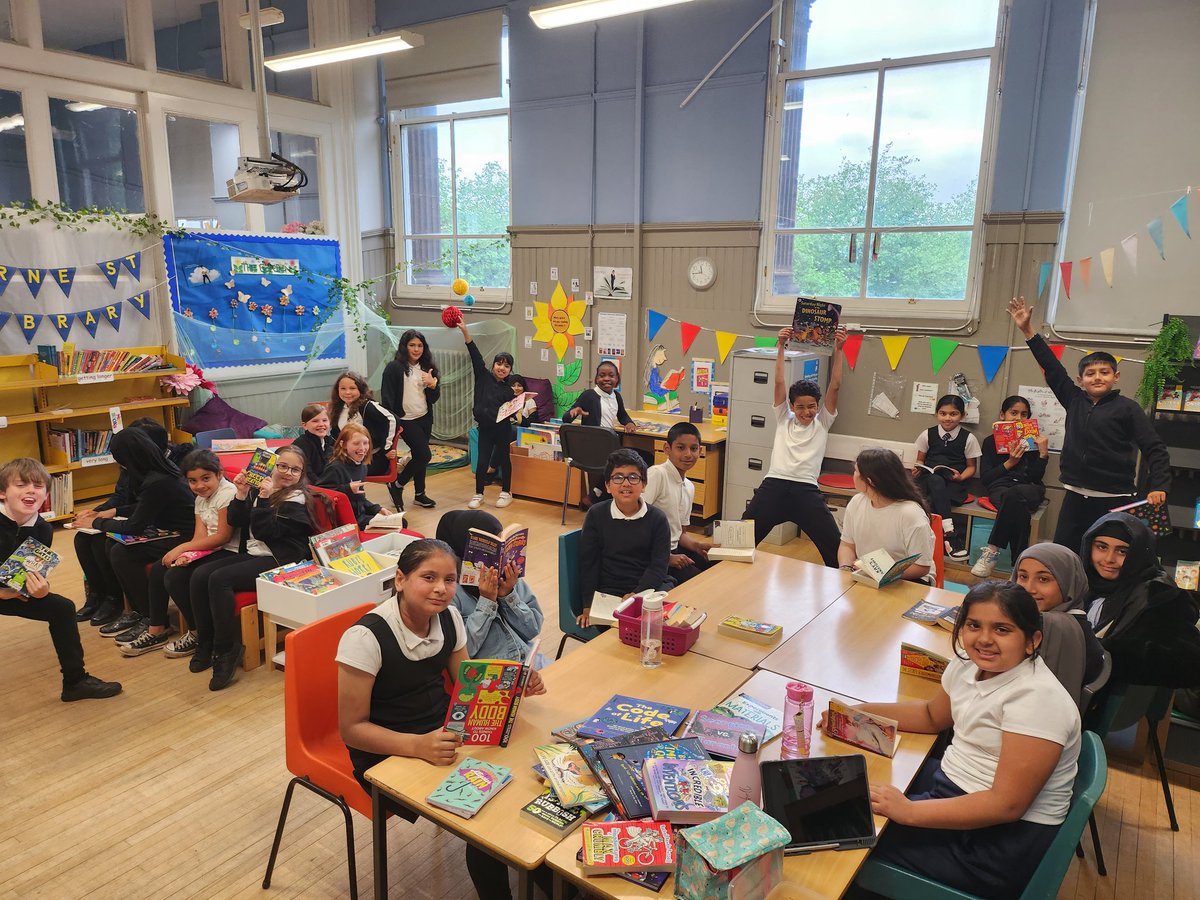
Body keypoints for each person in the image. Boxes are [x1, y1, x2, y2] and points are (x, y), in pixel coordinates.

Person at [835, 581, 1081, 898]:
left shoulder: (1038, 701)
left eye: (1002, 630)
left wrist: (908, 811)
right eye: (974, 625)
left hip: (992, 845)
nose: (984, 639)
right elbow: (930, 716)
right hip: (955, 790)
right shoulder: (968, 665)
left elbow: (1006, 805)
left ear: (1032, 641)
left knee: (846, 839)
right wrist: (856, 713)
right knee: (842, 788)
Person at [337, 539, 548, 900]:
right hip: (386, 754)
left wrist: (512, 683)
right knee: (488, 825)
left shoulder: (448, 618)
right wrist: (417, 745)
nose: (441, 588)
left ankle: (558, 886)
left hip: (444, 735)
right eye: (428, 577)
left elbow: (469, 685)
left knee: (525, 784)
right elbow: (351, 730)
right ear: (400, 580)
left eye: (449, 580)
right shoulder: (364, 637)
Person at [1008, 296, 1170, 554]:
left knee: (1105, 563)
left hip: (1114, 500)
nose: (1097, 377)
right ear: (1080, 379)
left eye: (1104, 372)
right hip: (1074, 497)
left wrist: (1159, 485)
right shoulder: (1073, 399)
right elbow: (1052, 368)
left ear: (1115, 377)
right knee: (1064, 557)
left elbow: (1155, 448)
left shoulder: (1128, 408)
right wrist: (1028, 331)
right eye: (1091, 373)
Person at [182, 444, 328, 690]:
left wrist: (262, 498)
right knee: (199, 575)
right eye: (282, 465)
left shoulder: (296, 498)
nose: (287, 473)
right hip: (254, 554)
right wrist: (241, 493)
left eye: (295, 469)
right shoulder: (261, 485)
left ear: (302, 474)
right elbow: (237, 521)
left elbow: (264, 531)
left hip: (282, 561)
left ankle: (226, 649)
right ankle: (205, 642)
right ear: (272, 464)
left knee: (220, 579)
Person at [0, 458, 122, 702]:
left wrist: (37, 591)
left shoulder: (42, 529)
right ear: (3, 493)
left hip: (8, 593)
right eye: (21, 485)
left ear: (45, 493)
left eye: (37, 486)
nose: (30, 491)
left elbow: (26, 574)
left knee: (62, 608)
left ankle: (75, 682)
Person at [740, 326, 847, 566]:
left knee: (835, 549)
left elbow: (836, 385)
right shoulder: (783, 418)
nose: (806, 412)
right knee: (741, 540)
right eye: (800, 407)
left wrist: (838, 350)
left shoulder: (823, 422)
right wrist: (780, 347)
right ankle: (719, 577)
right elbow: (778, 381)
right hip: (774, 486)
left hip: (806, 491)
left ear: (818, 406)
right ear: (791, 405)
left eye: (811, 406)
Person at [121, 448, 240, 657]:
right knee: (161, 567)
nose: (199, 486)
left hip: (229, 550)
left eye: (206, 478)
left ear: (219, 474)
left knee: (176, 577)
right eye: (193, 481)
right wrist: (188, 554)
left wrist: (183, 548)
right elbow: (199, 537)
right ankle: (157, 629)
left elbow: (223, 536)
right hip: (210, 548)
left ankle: (197, 633)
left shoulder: (227, 493)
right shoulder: (200, 498)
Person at [92, 429, 196, 643]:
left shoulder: (158, 480)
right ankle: (139, 610)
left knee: (122, 552)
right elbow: (146, 508)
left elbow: (135, 526)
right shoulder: (155, 472)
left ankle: (151, 616)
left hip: (184, 536)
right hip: (169, 530)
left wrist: (96, 522)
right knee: (112, 546)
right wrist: (115, 512)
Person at [70, 416, 177, 625]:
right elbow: (121, 496)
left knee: (110, 544)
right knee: (82, 538)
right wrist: (98, 512)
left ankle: (120, 601)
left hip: (159, 526)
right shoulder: (134, 468)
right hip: (142, 518)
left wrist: (99, 521)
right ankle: (98, 595)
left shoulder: (161, 474)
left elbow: (143, 514)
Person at [1081, 512, 1200, 687]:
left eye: (1122, 551)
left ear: (1138, 553)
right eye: (1101, 547)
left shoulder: (1159, 595)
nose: (1109, 559)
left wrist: (1105, 653)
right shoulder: (1080, 584)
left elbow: (1188, 663)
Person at [576, 449, 671, 627]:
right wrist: (588, 605)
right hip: (610, 592)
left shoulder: (657, 518)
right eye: (618, 477)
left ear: (644, 485)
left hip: (648, 589)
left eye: (633, 477)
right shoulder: (596, 514)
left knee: (662, 625)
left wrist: (637, 593)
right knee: (621, 632)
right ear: (607, 486)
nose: (626, 484)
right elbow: (589, 563)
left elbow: (658, 565)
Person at [437, 510, 544, 662]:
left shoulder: (509, 578)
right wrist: (486, 601)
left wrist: (508, 595)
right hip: (493, 674)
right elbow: (465, 650)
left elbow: (532, 630)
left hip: (529, 661)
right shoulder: (450, 593)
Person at [1011, 542, 1105, 705]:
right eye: (1023, 576)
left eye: (1043, 579)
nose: (1029, 588)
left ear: (1068, 583)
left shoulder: (1051, 626)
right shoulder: (1078, 621)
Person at [973, 395, 1049, 577]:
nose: (1018, 418)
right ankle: (1019, 567)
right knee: (1016, 503)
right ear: (1002, 415)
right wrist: (1010, 462)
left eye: (1024, 414)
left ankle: (991, 551)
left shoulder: (1033, 441)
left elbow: (1035, 477)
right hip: (1001, 488)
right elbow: (986, 478)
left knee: (1015, 495)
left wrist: (1043, 453)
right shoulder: (990, 442)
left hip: (1029, 487)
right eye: (1013, 413)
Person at [837, 448, 935, 583]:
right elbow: (847, 545)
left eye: (856, 471)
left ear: (870, 481)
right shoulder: (857, 502)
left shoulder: (910, 514)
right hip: (868, 576)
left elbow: (921, 567)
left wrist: (882, 574)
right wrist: (846, 568)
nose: (853, 475)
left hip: (908, 579)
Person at [911, 394, 981, 562]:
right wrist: (917, 468)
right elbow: (920, 459)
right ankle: (949, 535)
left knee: (931, 498)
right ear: (937, 414)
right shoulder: (927, 434)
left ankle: (922, 548)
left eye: (953, 414)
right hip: (928, 479)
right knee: (934, 481)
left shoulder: (968, 438)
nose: (948, 418)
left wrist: (960, 477)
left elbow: (972, 467)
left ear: (962, 416)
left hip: (953, 484)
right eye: (943, 413)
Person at [642, 422, 714, 585]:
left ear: (700, 451)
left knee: (718, 567)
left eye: (694, 449)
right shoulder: (657, 474)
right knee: (699, 582)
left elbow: (679, 533)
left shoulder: (689, 486)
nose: (688, 454)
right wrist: (666, 558)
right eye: (681, 448)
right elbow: (637, 524)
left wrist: (696, 545)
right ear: (667, 449)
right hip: (652, 553)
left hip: (674, 548)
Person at [457, 319, 517, 509]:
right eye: (499, 364)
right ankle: (478, 494)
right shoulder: (483, 377)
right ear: (493, 366)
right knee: (482, 460)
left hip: (502, 429)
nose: (502, 368)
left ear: (510, 371)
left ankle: (506, 492)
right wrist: (466, 333)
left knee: (504, 459)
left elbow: (510, 410)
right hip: (485, 428)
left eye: (506, 366)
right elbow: (474, 354)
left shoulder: (509, 390)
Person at [380, 329, 441, 511]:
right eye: (412, 345)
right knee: (424, 455)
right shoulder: (394, 368)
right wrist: (394, 422)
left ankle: (420, 494)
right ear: (404, 347)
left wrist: (433, 385)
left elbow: (434, 398)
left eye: (420, 345)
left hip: (424, 417)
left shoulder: (427, 368)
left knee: (419, 456)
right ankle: (397, 484)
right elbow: (387, 397)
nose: (416, 349)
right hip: (405, 420)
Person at [318, 423, 396, 530]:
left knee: (399, 522)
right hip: (345, 522)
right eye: (356, 443)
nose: (362, 448)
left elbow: (360, 499)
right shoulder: (335, 467)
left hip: (360, 517)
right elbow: (320, 493)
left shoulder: (362, 466)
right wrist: (347, 488)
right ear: (343, 444)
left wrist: (377, 509)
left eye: (365, 443)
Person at [328, 371, 398, 478]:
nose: (347, 392)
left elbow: (392, 419)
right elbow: (335, 437)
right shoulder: (337, 409)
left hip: (370, 459)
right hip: (347, 458)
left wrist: (387, 448)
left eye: (352, 388)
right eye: (343, 389)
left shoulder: (367, 405)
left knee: (337, 472)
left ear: (360, 389)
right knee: (326, 468)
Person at [567, 361, 636, 432]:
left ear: (617, 378)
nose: (606, 379)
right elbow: (565, 419)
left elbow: (622, 415)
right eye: (602, 376)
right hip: (590, 439)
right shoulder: (588, 395)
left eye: (611, 376)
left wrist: (629, 423)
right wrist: (573, 412)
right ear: (596, 379)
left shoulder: (616, 396)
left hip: (608, 438)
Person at [293, 403, 334, 481]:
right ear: (304, 425)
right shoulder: (301, 444)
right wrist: (325, 487)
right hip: (311, 487)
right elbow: (307, 474)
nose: (321, 424)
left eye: (324, 420)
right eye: (315, 421)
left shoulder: (331, 442)